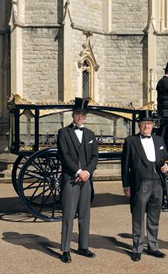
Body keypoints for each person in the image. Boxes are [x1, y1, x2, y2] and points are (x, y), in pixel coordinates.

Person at [121, 110, 168, 262]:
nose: (146, 126)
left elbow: (167, 158)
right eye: (144, 124)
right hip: (140, 182)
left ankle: (153, 246)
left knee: (154, 215)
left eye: (149, 124)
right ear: (139, 125)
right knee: (138, 215)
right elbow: (125, 166)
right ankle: (137, 247)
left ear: (152, 125)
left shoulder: (159, 140)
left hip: (158, 183)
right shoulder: (130, 141)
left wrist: (167, 166)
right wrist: (126, 185)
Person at [57, 97, 99, 263]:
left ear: (86, 116)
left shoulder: (90, 134)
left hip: (86, 179)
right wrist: (79, 171)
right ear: (73, 115)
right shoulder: (63, 133)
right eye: (78, 114)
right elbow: (64, 156)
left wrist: (87, 171)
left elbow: (95, 156)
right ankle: (66, 249)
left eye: (83, 114)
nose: (80, 116)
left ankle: (83, 246)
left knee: (85, 214)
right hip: (71, 179)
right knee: (68, 214)